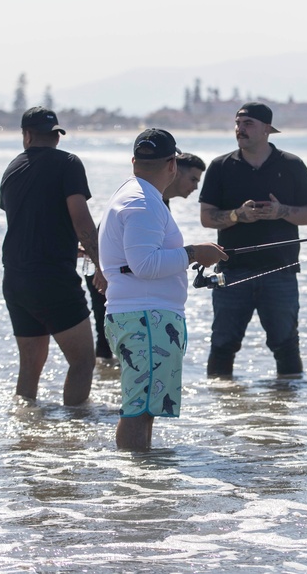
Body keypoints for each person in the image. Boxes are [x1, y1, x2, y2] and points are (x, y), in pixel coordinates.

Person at [98, 130, 226, 450]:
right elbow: (145, 264)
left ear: (134, 161)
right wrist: (195, 253)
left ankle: (142, 486)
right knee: (139, 411)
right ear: (172, 164)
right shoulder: (143, 202)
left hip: (142, 315)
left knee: (144, 409)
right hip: (146, 317)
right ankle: (136, 489)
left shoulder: (135, 193)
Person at [199, 102, 307, 378]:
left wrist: (282, 212)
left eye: (248, 124)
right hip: (232, 270)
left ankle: (286, 409)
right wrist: (237, 216)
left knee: (286, 347)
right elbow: (207, 218)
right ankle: (219, 407)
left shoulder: (292, 165)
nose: (240, 130)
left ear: (267, 129)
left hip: (281, 270)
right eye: (238, 124)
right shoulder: (220, 167)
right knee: (222, 345)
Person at [0, 106, 104, 405]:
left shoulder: (11, 169)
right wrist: (101, 264)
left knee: (30, 367)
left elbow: (29, 223)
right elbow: (81, 220)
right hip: (52, 280)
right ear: (55, 136)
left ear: (27, 136)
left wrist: (72, 248)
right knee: (83, 362)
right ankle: (74, 433)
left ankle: (26, 434)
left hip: (16, 279)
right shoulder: (68, 163)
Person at [85, 152, 206, 361]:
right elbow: (106, 237)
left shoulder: (156, 200)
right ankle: (107, 380)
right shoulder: (143, 200)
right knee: (107, 345)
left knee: (118, 350)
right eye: (193, 179)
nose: (195, 187)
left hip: (126, 281)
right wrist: (99, 269)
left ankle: (108, 382)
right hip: (111, 277)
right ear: (174, 169)